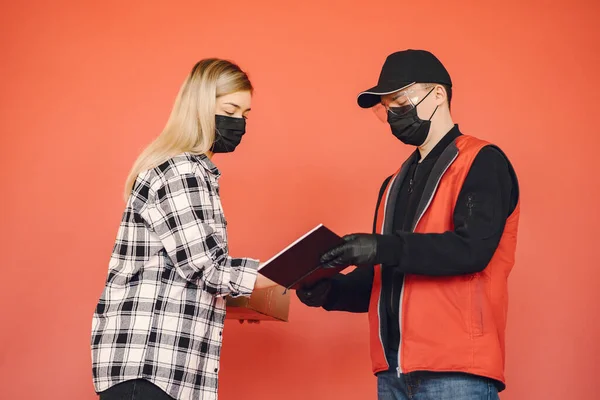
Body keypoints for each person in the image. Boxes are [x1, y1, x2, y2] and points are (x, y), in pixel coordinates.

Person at [296, 49, 520, 400]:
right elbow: (388, 277)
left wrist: (381, 247)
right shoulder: (394, 183)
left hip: (457, 371)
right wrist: (333, 292)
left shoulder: (482, 161)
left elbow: (471, 250)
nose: (392, 115)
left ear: (438, 95)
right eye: (385, 108)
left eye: (399, 102)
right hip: (393, 374)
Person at [91, 58, 276, 400]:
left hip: (161, 366)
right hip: (151, 367)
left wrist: (243, 301)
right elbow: (206, 269)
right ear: (201, 106)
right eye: (230, 110)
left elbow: (178, 273)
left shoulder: (190, 170)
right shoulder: (182, 171)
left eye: (245, 115)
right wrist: (286, 273)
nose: (239, 124)